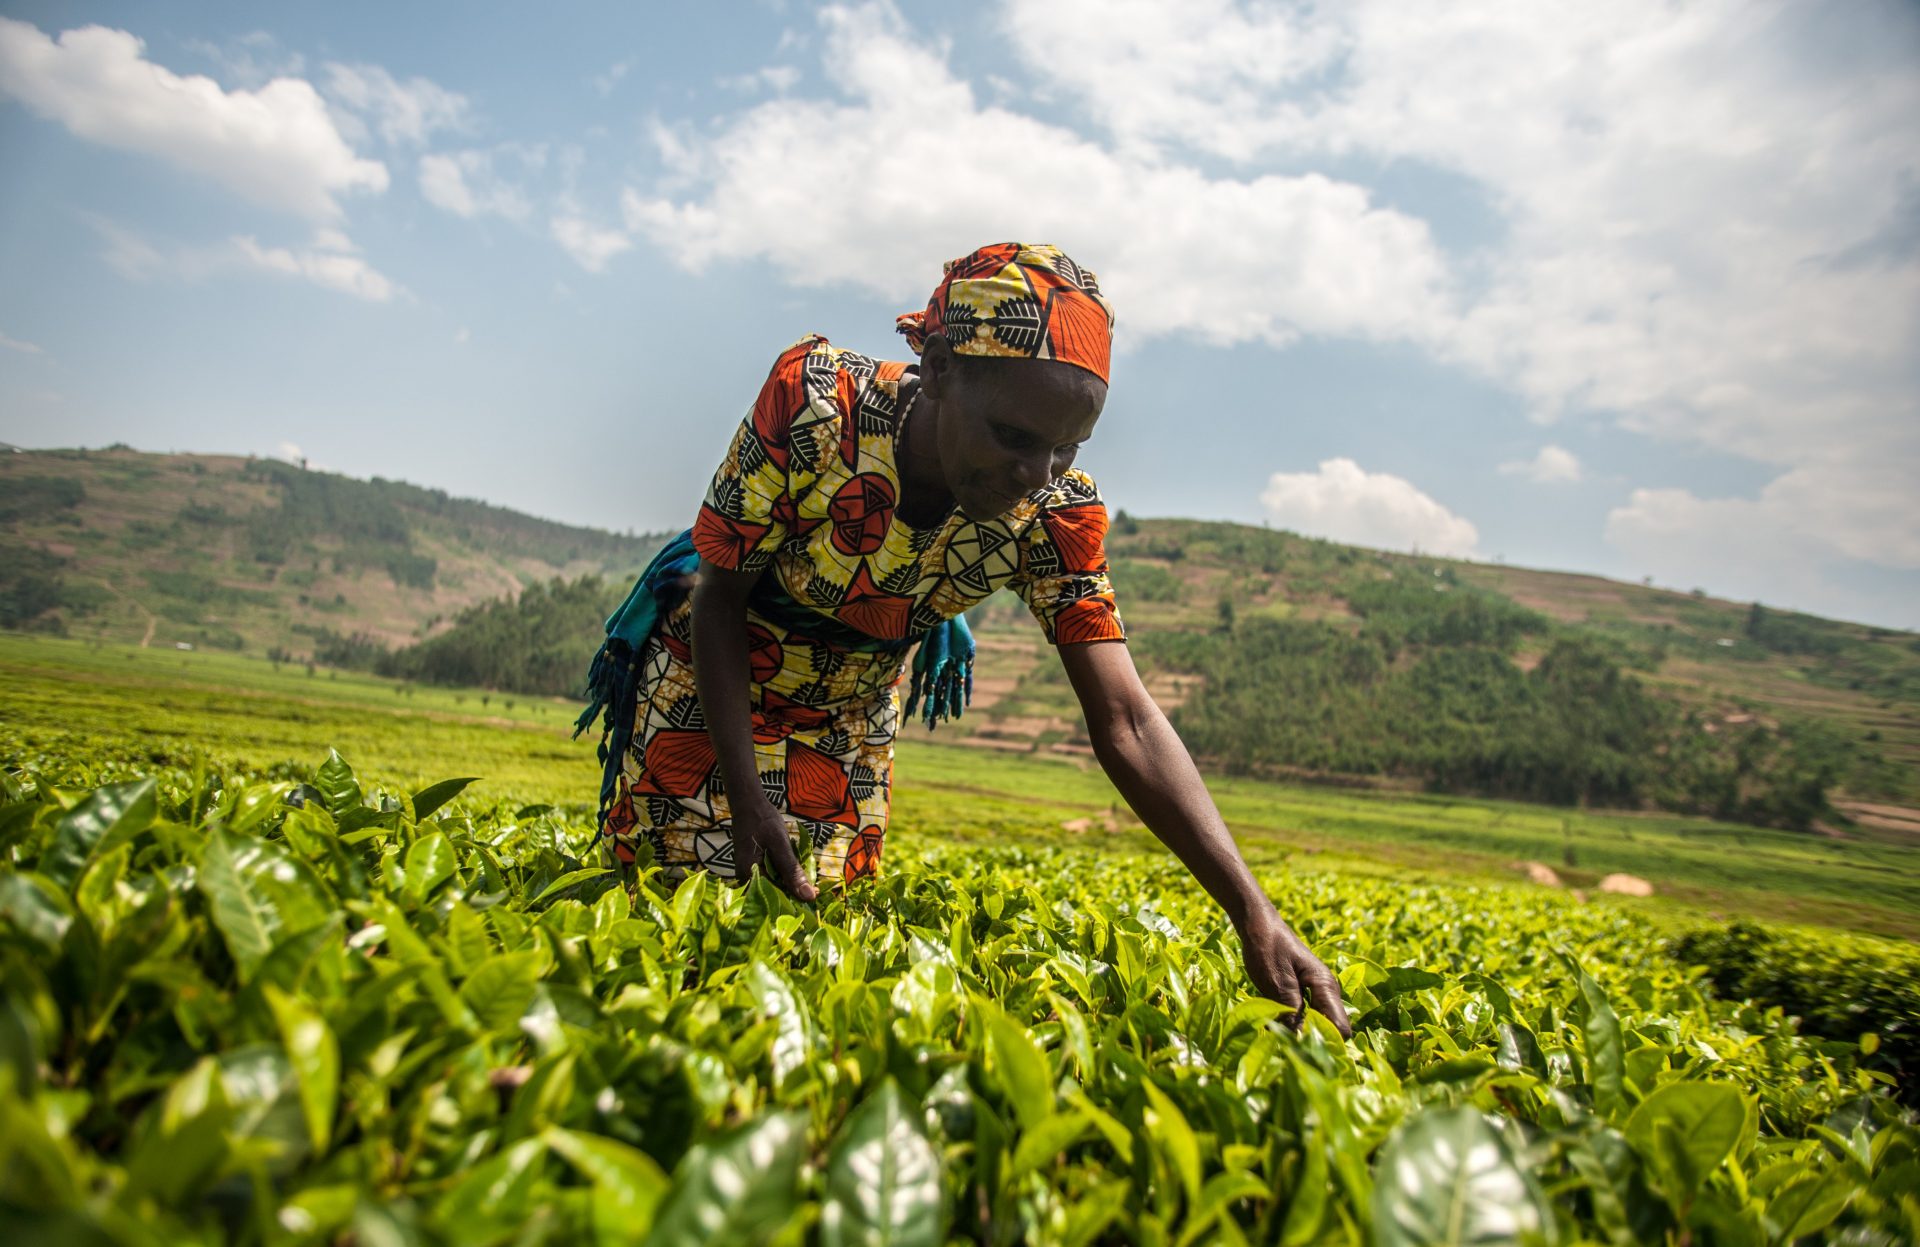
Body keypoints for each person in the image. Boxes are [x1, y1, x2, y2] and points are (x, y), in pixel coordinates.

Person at [582, 243, 1349, 1033]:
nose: (1037, 472)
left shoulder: (1054, 516)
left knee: (810, 945)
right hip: (715, 676)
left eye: (1067, 447)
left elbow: (1126, 717)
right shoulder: (817, 402)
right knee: (674, 931)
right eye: (1015, 437)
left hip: (850, 708)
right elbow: (720, 594)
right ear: (942, 368)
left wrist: (1252, 909)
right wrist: (745, 790)